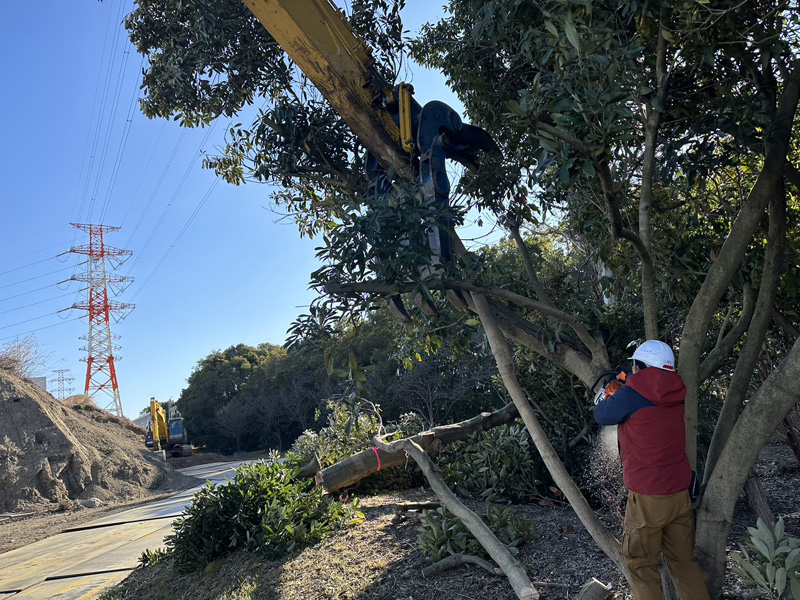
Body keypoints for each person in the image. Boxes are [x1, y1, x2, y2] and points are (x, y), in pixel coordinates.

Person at [594, 340, 710, 600]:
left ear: (641, 365)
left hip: (648, 496)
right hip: (680, 491)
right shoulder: (677, 392)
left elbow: (601, 415)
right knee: (683, 563)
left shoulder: (632, 393)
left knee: (641, 565)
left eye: (635, 365)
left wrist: (609, 394)